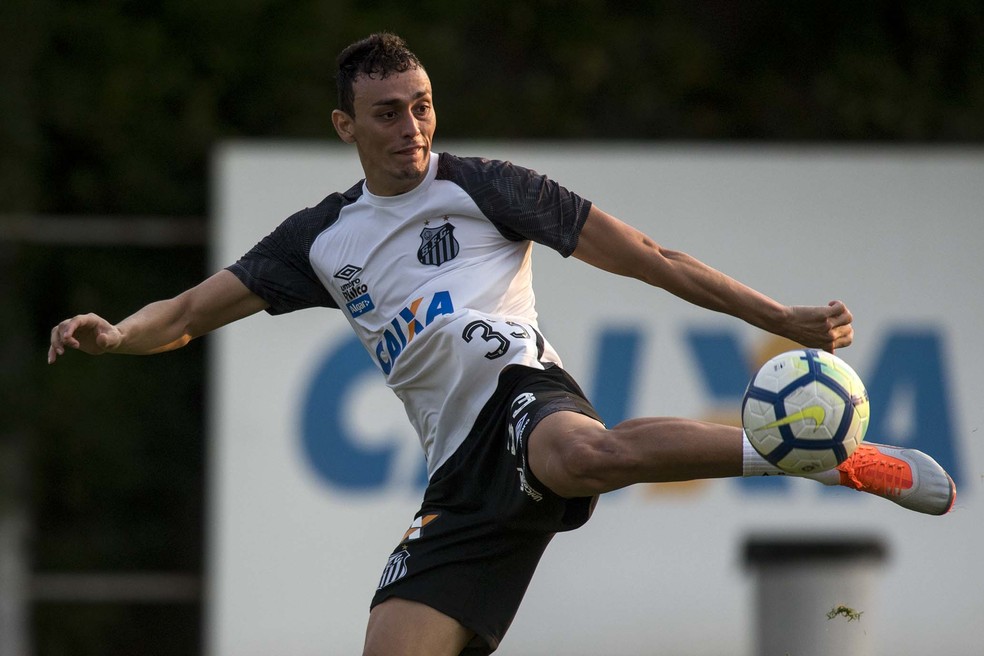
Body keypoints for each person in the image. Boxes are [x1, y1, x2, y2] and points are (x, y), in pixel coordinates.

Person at [48, 32, 956, 656]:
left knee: (580, 451)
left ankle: (829, 461)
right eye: (388, 113)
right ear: (345, 127)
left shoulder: (487, 189)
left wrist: (782, 321)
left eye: (422, 105)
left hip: (523, 394)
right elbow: (190, 314)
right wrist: (118, 333)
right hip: (456, 478)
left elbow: (649, 258)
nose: (411, 129)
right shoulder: (318, 242)